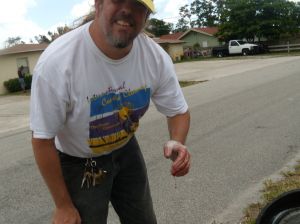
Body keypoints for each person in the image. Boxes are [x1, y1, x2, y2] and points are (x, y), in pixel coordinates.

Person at [30, 0, 191, 223]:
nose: (127, 10)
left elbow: (178, 111)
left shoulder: (154, 57)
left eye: (137, 5)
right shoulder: (57, 63)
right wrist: (63, 205)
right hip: (79, 160)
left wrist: (177, 141)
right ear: (98, 5)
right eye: (117, 0)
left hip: (126, 149)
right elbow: (42, 139)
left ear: (146, 17)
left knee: (143, 219)